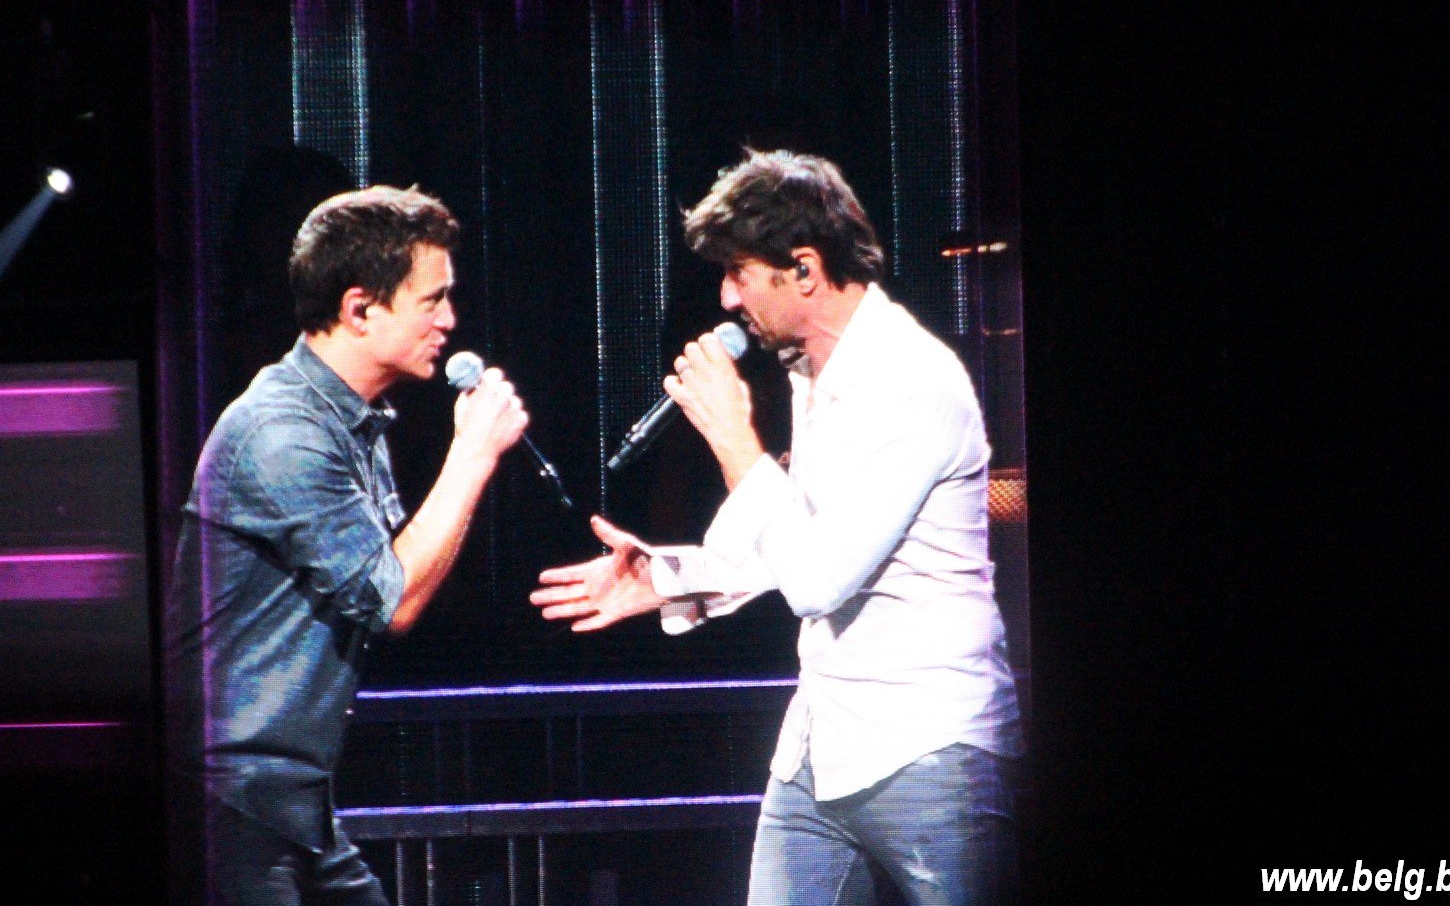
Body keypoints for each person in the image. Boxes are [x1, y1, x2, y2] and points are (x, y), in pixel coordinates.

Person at [532, 151, 1023, 905]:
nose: (727, 298)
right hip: (820, 748)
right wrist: (660, 579)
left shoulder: (911, 383)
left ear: (804, 268)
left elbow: (818, 580)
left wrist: (735, 439)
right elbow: (782, 538)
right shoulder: (807, 374)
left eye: (738, 273)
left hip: (929, 749)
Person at [164, 185, 529, 905]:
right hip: (229, 801)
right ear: (361, 308)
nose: (450, 322)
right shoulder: (282, 433)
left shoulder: (351, 422)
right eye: (433, 301)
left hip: (291, 804)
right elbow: (391, 599)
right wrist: (473, 456)